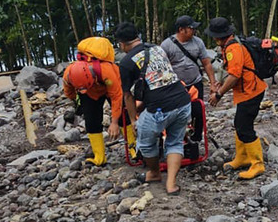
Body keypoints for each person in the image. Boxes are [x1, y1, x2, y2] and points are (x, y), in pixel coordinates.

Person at [116, 22, 191, 195]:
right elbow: (160, 80)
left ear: (122, 43)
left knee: (146, 143)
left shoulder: (126, 62)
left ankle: (155, 173)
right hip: (182, 101)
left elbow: (127, 96)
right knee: (174, 142)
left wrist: (134, 119)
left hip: (159, 109)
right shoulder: (157, 49)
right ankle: (171, 184)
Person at [206, 17, 267, 180]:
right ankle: (242, 157)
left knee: (244, 126)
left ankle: (257, 163)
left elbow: (235, 75)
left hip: (251, 91)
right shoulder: (230, 46)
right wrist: (221, 82)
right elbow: (233, 71)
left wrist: (219, 94)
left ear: (219, 36)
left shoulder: (233, 49)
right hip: (245, 91)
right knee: (239, 123)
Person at [62, 37, 127, 166]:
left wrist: (114, 122)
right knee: (91, 121)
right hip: (90, 93)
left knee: (124, 117)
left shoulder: (108, 71)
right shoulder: (68, 74)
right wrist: (76, 101)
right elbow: (69, 93)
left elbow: (116, 97)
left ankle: (133, 148)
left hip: (106, 87)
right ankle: (99, 157)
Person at [161, 15, 218, 143]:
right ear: (181, 30)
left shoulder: (198, 42)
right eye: (191, 28)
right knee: (176, 114)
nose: (194, 31)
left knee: (198, 111)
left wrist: (213, 83)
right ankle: (177, 140)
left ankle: (196, 139)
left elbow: (206, 63)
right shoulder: (167, 45)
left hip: (195, 83)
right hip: (176, 86)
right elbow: (163, 68)